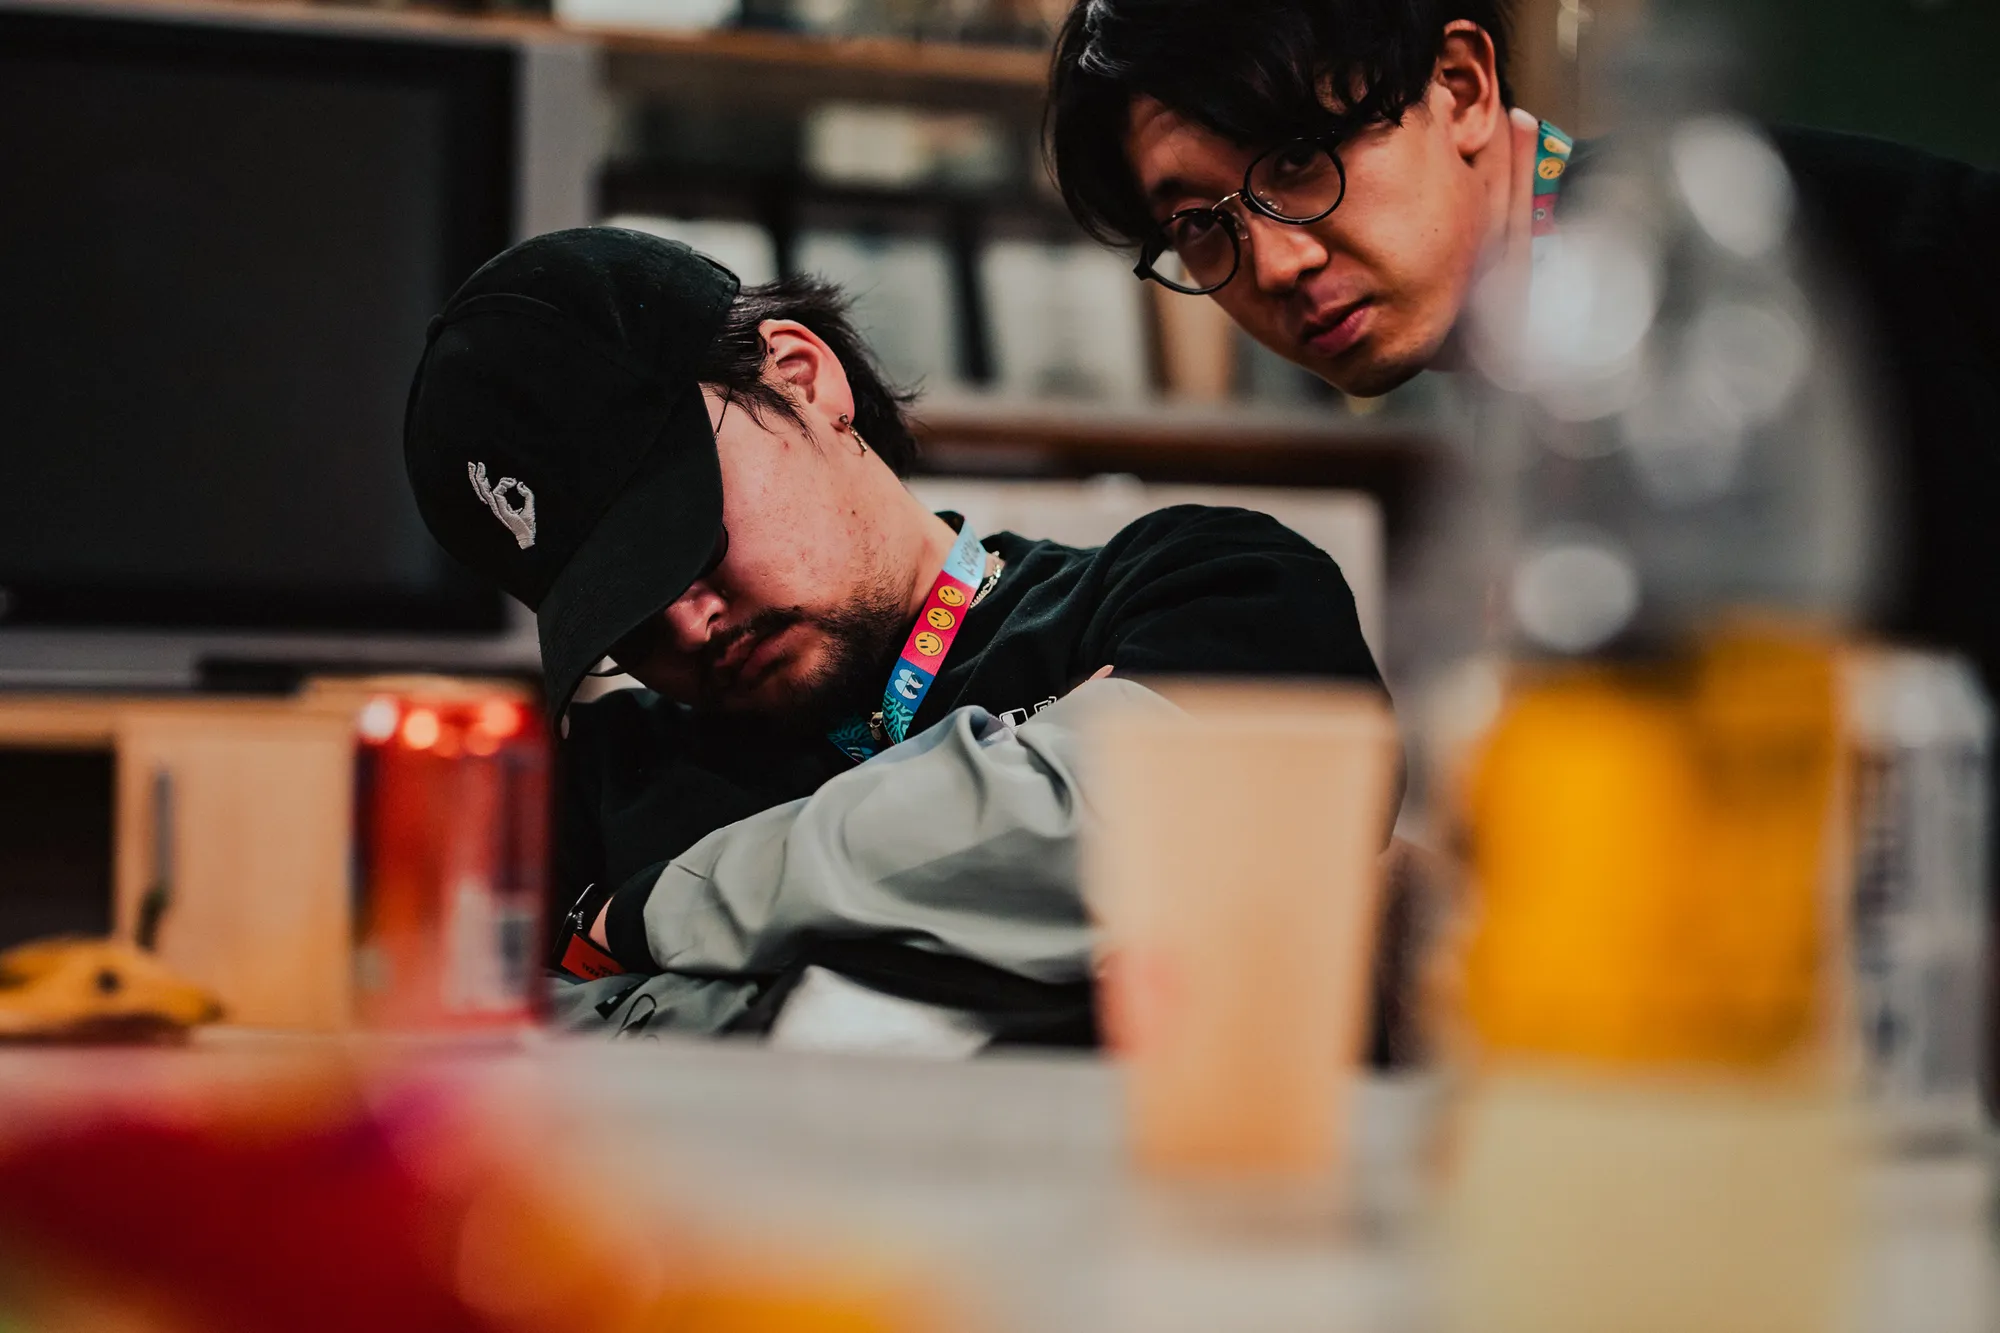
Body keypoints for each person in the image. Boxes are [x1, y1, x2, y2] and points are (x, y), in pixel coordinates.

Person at [402, 227, 1387, 1044]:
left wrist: (661, 917)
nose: (689, 622)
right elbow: (451, 1053)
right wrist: (823, 1014)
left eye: (685, 542)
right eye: (624, 618)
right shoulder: (584, 782)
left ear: (802, 378)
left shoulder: (1211, 584)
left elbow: (1182, 827)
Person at [1046, 0, 2000, 707]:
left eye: (1298, 159)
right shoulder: (1534, 372)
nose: (1277, 262)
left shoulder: (1769, 276)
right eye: (1199, 224)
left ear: (1461, 87)